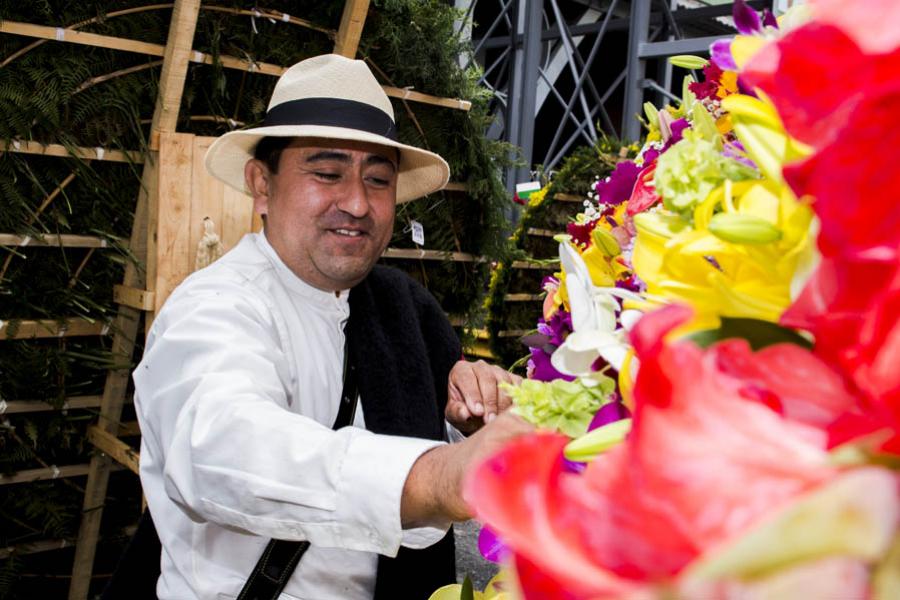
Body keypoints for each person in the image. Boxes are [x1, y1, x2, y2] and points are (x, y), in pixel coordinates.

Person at [133, 53, 532, 600]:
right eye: (326, 173)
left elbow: (438, 407)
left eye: (378, 180)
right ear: (261, 185)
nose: (357, 203)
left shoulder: (401, 308)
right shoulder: (214, 309)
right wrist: (436, 477)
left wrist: (474, 408)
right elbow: (220, 448)